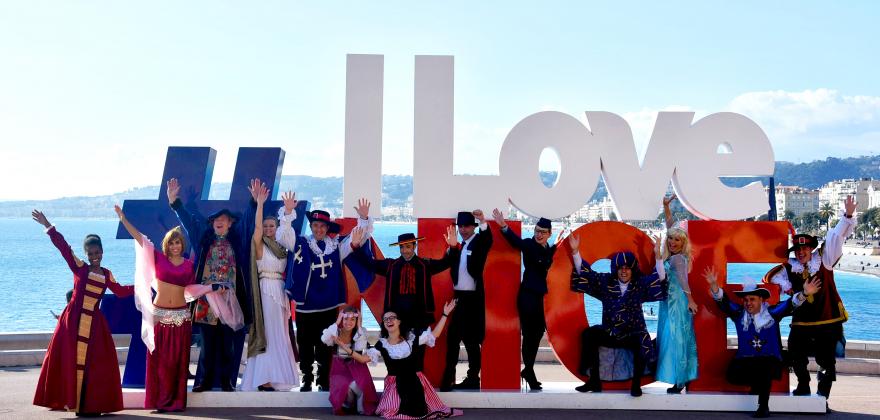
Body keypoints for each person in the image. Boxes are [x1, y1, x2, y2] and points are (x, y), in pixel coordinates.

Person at [31, 210, 134, 416]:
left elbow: (121, 291)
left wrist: (141, 285)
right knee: (70, 361)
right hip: (73, 321)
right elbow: (63, 248)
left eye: (98, 253)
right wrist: (48, 226)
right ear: (86, 254)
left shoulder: (107, 274)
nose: (95, 257)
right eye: (91, 254)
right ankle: (74, 402)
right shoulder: (79, 268)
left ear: (102, 251)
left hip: (94, 323)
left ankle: (90, 405)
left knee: (95, 365)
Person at [276, 192, 373, 392]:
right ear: (311, 227)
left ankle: (323, 380)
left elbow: (359, 238)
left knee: (326, 344)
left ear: (327, 229)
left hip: (328, 306)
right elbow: (283, 236)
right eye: (315, 225)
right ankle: (307, 379)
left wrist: (363, 219)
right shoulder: (301, 243)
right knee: (305, 345)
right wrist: (287, 212)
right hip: (305, 306)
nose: (319, 229)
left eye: (322, 226)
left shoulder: (336, 247)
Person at [765, 195, 857, 400]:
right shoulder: (789, 268)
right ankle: (803, 386)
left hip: (827, 319)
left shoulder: (825, 260)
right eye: (798, 250)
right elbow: (770, 279)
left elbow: (835, 237)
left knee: (827, 361)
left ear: (811, 249)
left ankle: (823, 396)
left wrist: (847, 216)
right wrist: (794, 291)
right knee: (795, 352)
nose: (801, 252)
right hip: (802, 321)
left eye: (805, 248)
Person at [166, 177, 252, 392]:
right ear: (212, 224)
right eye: (216, 219)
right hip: (206, 301)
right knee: (207, 344)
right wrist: (175, 202)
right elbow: (189, 222)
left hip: (229, 300)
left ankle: (226, 381)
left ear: (230, 223)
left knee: (228, 344)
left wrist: (254, 202)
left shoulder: (238, 240)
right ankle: (203, 381)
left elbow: (249, 221)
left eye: (224, 219)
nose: (219, 221)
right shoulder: (203, 240)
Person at [117, 204, 201, 412]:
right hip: (160, 316)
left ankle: (176, 402)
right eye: (171, 242)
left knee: (178, 362)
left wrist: (212, 289)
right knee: (161, 362)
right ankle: (160, 402)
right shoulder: (158, 258)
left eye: (178, 242)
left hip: (181, 317)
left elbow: (192, 289)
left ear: (182, 244)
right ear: (166, 245)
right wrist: (124, 220)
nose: (175, 246)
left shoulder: (189, 265)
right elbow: (141, 240)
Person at [705, 268, 820, 418]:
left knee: (764, 368)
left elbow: (790, 305)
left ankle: (763, 406)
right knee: (732, 375)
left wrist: (804, 293)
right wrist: (714, 286)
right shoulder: (739, 314)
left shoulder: (772, 313)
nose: (748, 303)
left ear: (761, 300)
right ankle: (757, 384)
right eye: (746, 300)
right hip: (746, 360)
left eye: (752, 299)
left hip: (770, 361)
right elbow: (724, 302)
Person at [569, 233, 667, 396]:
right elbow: (587, 274)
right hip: (611, 331)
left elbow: (659, 279)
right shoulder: (606, 282)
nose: (624, 271)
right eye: (621, 268)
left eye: (627, 268)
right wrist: (575, 252)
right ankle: (594, 380)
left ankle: (636, 385)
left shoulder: (640, 284)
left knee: (642, 341)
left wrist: (658, 256)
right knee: (589, 334)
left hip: (632, 332)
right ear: (616, 269)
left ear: (632, 270)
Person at [492, 209, 560, 390]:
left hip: (541, 299)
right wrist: (503, 226)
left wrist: (558, 246)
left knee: (537, 335)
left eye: (543, 232)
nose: (539, 234)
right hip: (528, 297)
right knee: (530, 335)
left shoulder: (549, 249)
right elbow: (515, 242)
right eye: (537, 231)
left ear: (549, 234)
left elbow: (551, 261)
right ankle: (529, 371)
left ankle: (528, 370)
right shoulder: (530, 245)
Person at [240, 183, 300, 392]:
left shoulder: (282, 246)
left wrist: (289, 212)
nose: (267, 229)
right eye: (265, 226)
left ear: (276, 228)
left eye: (271, 226)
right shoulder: (259, 245)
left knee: (280, 334)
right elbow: (257, 229)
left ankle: (279, 377)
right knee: (267, 333)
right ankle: (263, 377)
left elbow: (288, 232)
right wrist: (260, 204)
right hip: (265, 290)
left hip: (280, 292)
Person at [350, 227, 459, 332]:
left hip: (420, 318)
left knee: (419, 345)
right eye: (401, 247)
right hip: (397, 319)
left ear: (414, 246)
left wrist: (453, 246)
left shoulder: (425, 265)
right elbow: (369, 263)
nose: (404, 250)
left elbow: (446, 263)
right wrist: (356, 246)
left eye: (408, 246)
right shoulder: (391, 266)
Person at [367, 301, 462, 419]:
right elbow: (364, 358)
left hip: (415, 383)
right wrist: (347, 348)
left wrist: (445, 314)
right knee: (393, 411)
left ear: (399, 321)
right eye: (385, 319)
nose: (388, 321)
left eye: (392, 318)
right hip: (395, 386)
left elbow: (435, 334)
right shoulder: (383, 343)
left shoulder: (411, 339)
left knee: (418, 409)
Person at [440, 210, 494, 391]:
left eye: (467, 226)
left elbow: (488, 239)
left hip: (473, 298)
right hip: (458, 298)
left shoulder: (479, 242)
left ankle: (472, 378)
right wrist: (451, 248)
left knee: (472, 341)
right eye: (460, 226)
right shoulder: (458, 246)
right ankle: (449, 377)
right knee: (453, 338)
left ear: (474, 227)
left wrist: (483, 221)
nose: (463, 230)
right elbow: (447, 262)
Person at [655, 195, 699, 393]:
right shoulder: (676, 256)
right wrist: (666, 208)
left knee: (676, 340)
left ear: (683, 243)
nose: (672, 242)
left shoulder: (677, 259)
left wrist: (690, 301)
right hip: (671, 301)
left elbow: (683, 281)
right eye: (671, 239)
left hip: (676, 303)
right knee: (679, 339)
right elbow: (670, 226)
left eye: (677, 240)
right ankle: (683, 377)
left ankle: (680, 380)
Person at [321, 306, 379, 415]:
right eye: (346, 319)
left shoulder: (359, 333)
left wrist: (359, 325)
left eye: (353, 319)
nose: (348, 322)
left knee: (361, 384)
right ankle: (347, 405)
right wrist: (337, 321)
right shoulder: (336, 332)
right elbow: (324, 339)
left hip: (356, 366)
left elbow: (360, 347)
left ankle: (362, 408)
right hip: (339, 367)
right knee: (343, 385)